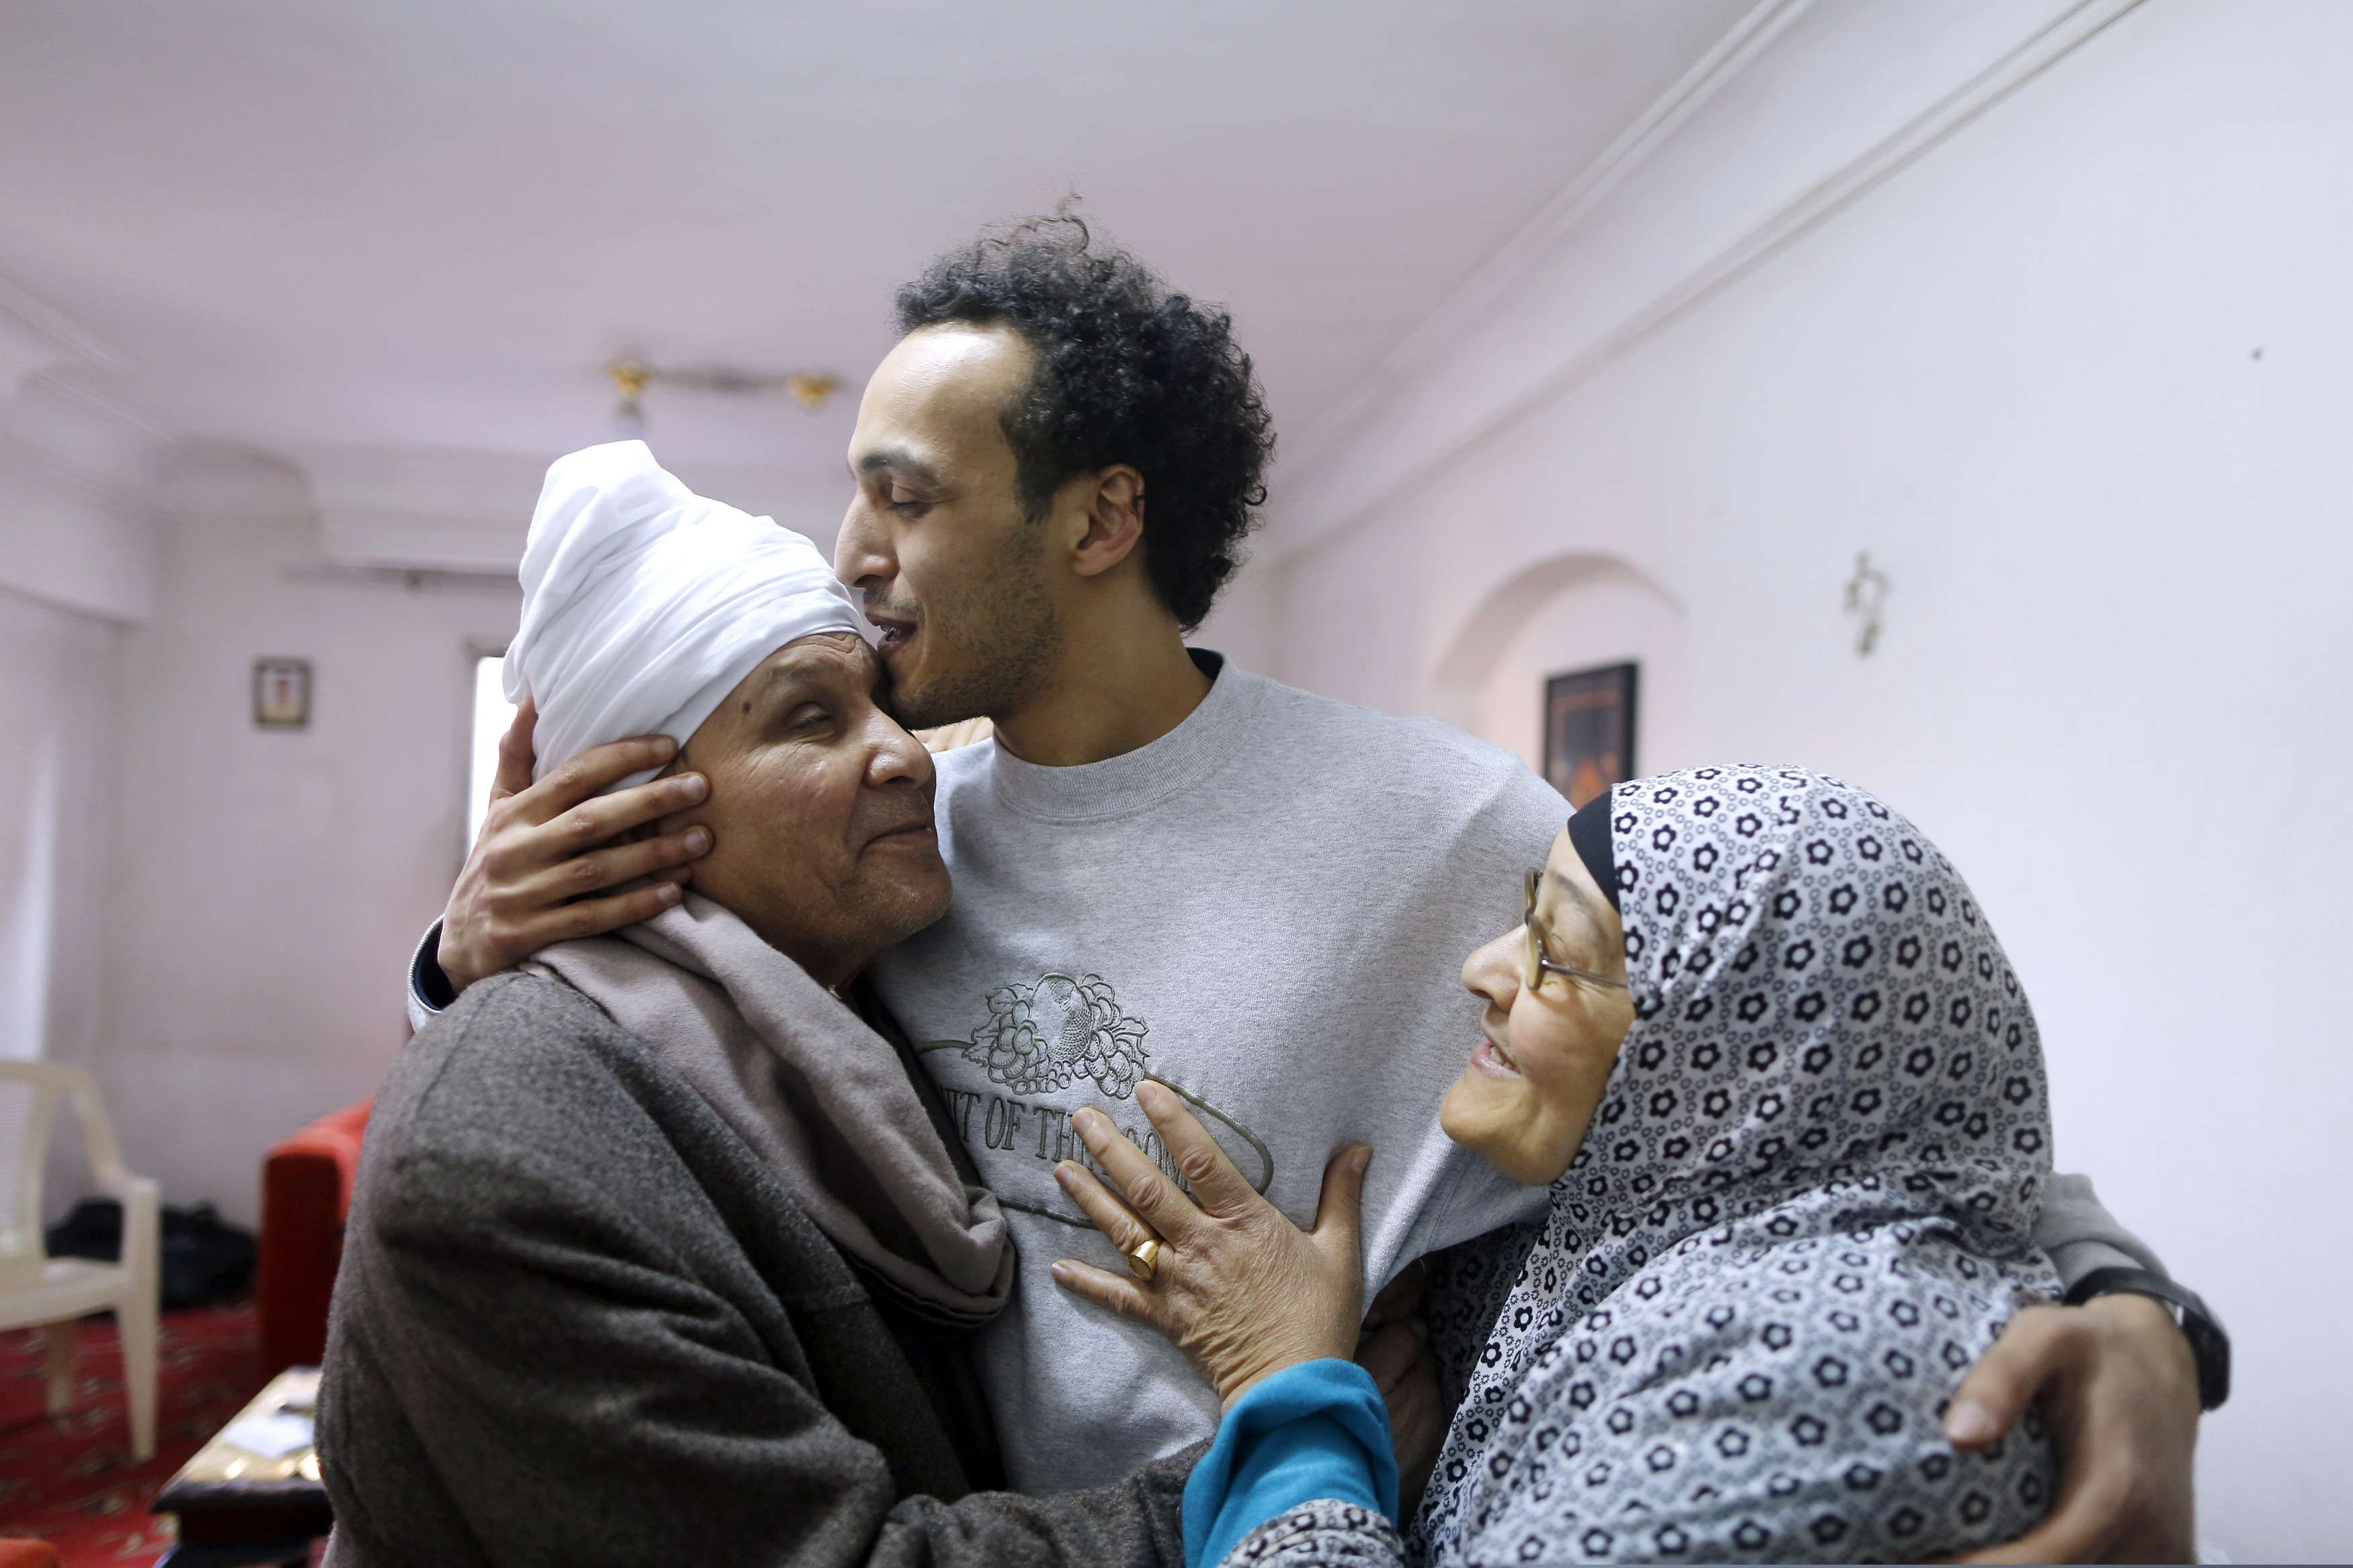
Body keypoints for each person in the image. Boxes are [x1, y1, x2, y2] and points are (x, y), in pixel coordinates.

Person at [409, 218, 2208, 1556]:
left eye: (906, 497)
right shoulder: (893, 842)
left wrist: (2128, 1307)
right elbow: (648, 1091)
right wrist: (456, 962)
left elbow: (1802, 1063)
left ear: (1097, 520)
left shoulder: (1442, 824)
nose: (852, 554)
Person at [321, 442, 1308, 1566]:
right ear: (628, 808)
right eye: (808, 718)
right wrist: (1286, 1463)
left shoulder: (844, 1001)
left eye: (881, 704)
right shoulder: (503, 1147)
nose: (907, 758)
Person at [1050, 768, 2224, 1565]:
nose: (1481, 968)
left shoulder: (1813, 1364)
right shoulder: (1626, 1227)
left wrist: (1286, 1390)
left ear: (1733, 1060)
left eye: (1556, 950)